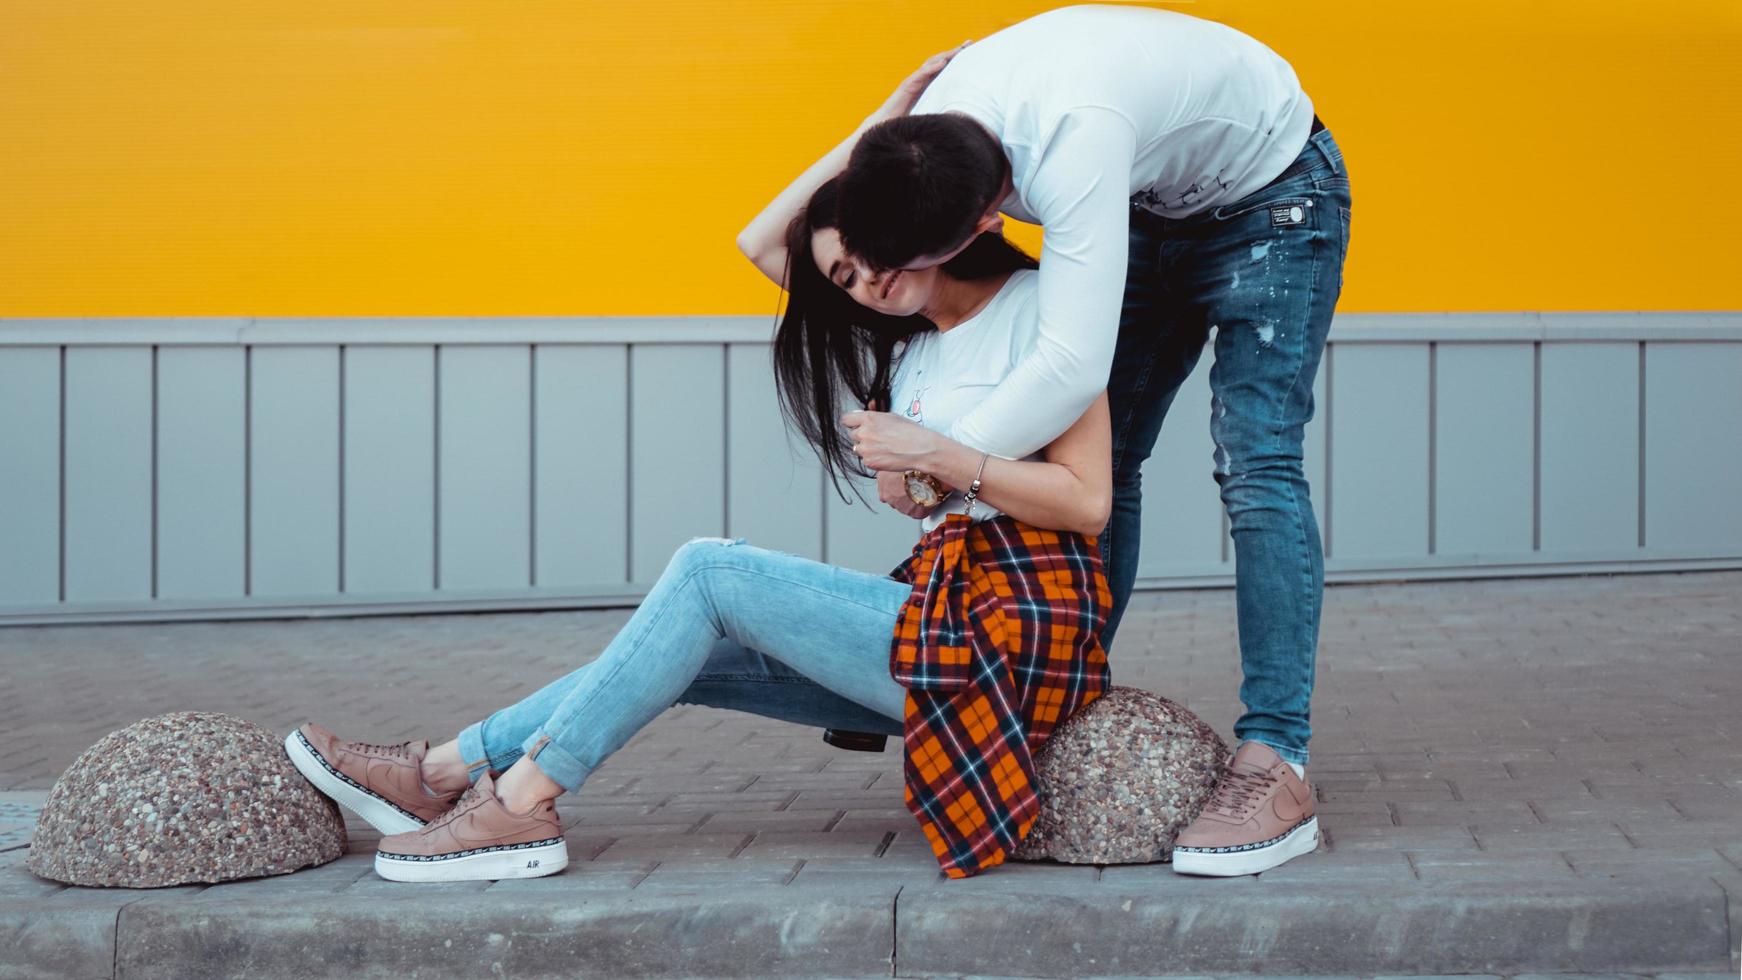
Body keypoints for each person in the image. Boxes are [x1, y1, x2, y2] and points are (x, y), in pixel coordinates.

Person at [284, 47, 1120, 883]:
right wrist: (876, 134)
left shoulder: (1045, 315)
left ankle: (522, 805)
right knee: (684, 653)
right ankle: (438, 775)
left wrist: (939, 456)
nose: (867, 279)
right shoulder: (910, 345)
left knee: (709, 574)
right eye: (846, 270)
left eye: (876, 249)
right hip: (937, 617)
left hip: (1013, 633)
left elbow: (1087, 504)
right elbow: (760, 241)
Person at [832, 4, 1346, 876]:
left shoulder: (1073, 140)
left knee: (1256, 462)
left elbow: (1070, 365)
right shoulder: (918, 142)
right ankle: (1059, 699)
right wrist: (879, 114)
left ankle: (1277, 758)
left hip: (1275, 194)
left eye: (920, 265)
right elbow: (800, 229)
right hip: (1152, 202)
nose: (896, 285)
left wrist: (937, 458)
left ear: (987, 224)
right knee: (1105, 461)